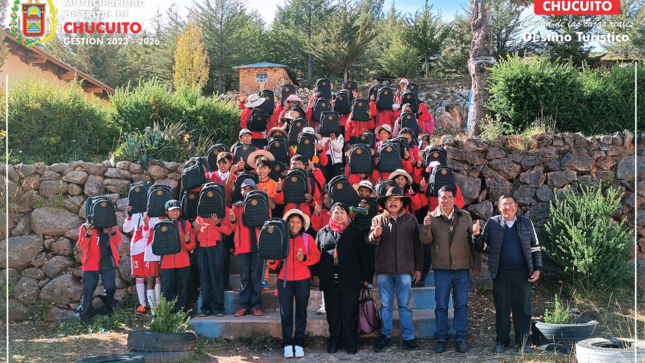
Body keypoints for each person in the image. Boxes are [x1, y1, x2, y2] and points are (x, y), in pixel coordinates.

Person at [473, 195, 542, 353]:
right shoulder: (492, 223)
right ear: (499, 207)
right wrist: (476, 235)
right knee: (502, 308)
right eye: (505, 204)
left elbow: (535, 247)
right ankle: (502, 341)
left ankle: (523, 341)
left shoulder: (526, 223)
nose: (508, 207)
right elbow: (482, 246)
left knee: (522, 308)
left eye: (511, 204)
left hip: (522, 273)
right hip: (501, 273)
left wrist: (537, 268)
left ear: (516, 206)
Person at [368, 188, 431, 352]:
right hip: (384, 270)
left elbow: (418, 247)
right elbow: (371, 240)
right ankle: (385, 335)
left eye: (396, 199)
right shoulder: (377, 219)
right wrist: (375, 234)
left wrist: (418, 268)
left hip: (404, 269)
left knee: (404, 305)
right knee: (386, 305)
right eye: (390, 200)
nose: (393, 202)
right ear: (385, 204)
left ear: (402, 202)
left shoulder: (410, 220)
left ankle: (408, 338)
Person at [422, 185, 481, 353]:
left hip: (462, 268)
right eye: (443, 197)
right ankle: (441, 337)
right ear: (438, 199)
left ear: (455, 199)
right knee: (441, 305)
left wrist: (476, 264)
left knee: (461, 304)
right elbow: (425, 241)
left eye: (449, 197)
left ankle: (460, 337)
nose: (446, 200)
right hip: (442, 269)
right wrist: (425, 227)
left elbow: (473, 243)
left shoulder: (466, 216)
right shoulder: (432, 217)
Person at [312, 203, 370, 355]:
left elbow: (365, 256)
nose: (338, 215)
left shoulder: (356, 232)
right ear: (330, 214)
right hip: (329, 279)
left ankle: (351, 343)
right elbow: (316, 254)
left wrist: (366, 277)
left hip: (351, 279)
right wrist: (315, 273)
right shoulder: (322, 232)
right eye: (335, 212)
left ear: (348, 215)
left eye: (342, 212)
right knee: (332, 313)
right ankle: (334, 342)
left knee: (350, 312)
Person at [267, 209, 320, 358]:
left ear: (302, 224)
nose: (295, 225)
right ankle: (287, 344)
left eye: (298, 222)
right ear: (287, 224)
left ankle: (299, 342)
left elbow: (316, 256)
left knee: (301, 313)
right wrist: (271, 260)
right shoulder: (281, 238)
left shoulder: (307, 238)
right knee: (286, 313)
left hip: (303, 279)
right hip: (284, 281)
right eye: (292, 222)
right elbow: (274, 263)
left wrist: (304, 258)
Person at [230, 179, 265, 317]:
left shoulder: (260, 203)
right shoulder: (237, 206)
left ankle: (256, 305)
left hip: (257, 245)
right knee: (245, 278)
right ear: (241, 191)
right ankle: (243, 306)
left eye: (250, 189)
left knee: (256, 277)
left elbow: (266, 223)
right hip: (242, 245)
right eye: (245, 189)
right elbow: (233, 228)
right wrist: (232, 220)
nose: (247, 191)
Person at [77, 221, 122, 323]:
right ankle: (86, 313)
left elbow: (117, 242)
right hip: (90, 263)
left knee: (110, 287)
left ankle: (108, 309)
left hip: (107, 263)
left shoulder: (110, 225)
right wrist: (89, 233)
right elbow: (82, 246)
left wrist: (113, 231)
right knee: (88, 289)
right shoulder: (85, 227)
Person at [158, 200, 197, 312]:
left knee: (182, 289)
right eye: (172, 210)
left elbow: (192, 247)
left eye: (177, 210)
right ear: (166, 212)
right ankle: (168, 315)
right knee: (167, 290)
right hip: (167, 264)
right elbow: (155, 245)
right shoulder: (161, 225)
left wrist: (187, 241)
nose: (175, 213)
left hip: (183, 263)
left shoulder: (186, 224)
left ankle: (180, 314)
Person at [193, 209, 233, 317]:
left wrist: (217, 223)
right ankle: (205, 308)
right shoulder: (201, 209)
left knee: (216, 276)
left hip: (216, 246)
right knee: (204, 278)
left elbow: (229, 231)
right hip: (201, 247)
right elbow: (194, 232)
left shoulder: (224, 210)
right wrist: (194, 226)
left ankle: (219, 308)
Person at [123, 206, 150, 315]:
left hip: (149, 247)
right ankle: (142, 305)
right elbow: (126, 229)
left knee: (153, 276)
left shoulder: (151, 208)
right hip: (136, 248)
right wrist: (129, 215)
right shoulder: (134, 212)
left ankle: (155, 305)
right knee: (139, 276)